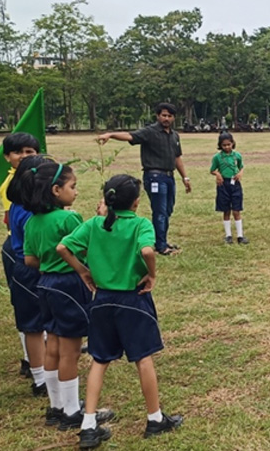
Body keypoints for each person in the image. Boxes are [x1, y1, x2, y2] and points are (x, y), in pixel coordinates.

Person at [57, 175, 183, 448]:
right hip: (132, 301)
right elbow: (148, 251)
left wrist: (82, 270)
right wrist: (151, 275)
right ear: (137, 202)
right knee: (143, 357)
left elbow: (62, 247)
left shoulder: (94, 224)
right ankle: (154, 418)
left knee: (99, 359)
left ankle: (89, 423)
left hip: (101, 300)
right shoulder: (140, 224)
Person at [20, 162, 114, 430]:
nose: (76, 192)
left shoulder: (32, 222)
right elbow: (87, 249)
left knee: (54, 344)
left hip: (45, 284)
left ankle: (55, 406)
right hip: (70, 285)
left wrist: (49, 265)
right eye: (72, 187)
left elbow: (29, 259)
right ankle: (72, 411)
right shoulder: (68, 219)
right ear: (56, 190)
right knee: (71, 350)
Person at [97, 103, 192, 256]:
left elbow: (177, 157)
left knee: (168, 209)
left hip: (169, 176)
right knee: (160, 211)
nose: (166, 118)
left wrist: (185, 177)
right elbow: (130, 136)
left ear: (174, 117)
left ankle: (161, 240)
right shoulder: (150, 132)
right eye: (163, 115)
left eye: (169, 116)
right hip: (155, 177)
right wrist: (110, 135)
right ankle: (161, 246)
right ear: (158, 116)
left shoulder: (174, 135)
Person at [6, 155, 52, 397]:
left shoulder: (20, 204)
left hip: (25, 269)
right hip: (33, 269)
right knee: (34, 326)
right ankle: (41, 378)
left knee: (35, 326)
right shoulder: (31, 214)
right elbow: (39, 250)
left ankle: (41, 376)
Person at [0, 133, 40, 378]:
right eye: (19, 152)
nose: (24, 157)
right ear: (7, 157)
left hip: (23, 246)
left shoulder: (36, 176)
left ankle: (36, 355)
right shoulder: (14, 186)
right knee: (26, 307)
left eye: (30, 152)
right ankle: (30, 358)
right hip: (21, 247)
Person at [210, 132, 248, 245]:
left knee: (236, 210)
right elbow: (212, 170)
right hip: (223, 185)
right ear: (220, 145)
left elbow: (241, 166)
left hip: (235, 183)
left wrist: (240, 173)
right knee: (226, 210)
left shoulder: (237, 156)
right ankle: (228, 235)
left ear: (233, 143)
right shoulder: (217, 157)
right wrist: (217, 174)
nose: (227, 147)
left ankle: (240, 235)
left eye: (229, 144)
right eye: (224, 145)